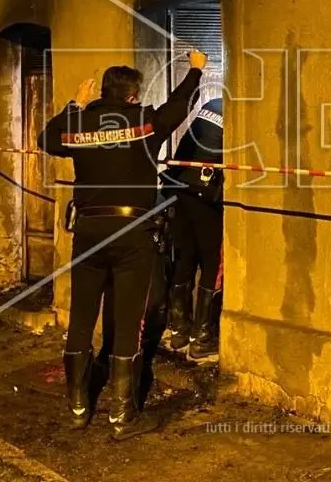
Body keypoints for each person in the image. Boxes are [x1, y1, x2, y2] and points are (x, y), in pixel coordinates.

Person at [39, 50, 206, 438]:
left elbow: (46, 138)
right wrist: (196, 70)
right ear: (132, 95)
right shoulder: (143, 121)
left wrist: (75, 104)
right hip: (132, 233)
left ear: (102, 91)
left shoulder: (79, 125)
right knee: (128, 322)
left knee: (81, 318)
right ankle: (122, 416)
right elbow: (177, 107)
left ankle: (79, 408)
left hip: (89, 232)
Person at [160, 96, 224, 361]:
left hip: (177, 188)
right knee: (212, 261)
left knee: (185, 256)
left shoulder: (212, 105)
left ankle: (180, 330)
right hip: (203, 194)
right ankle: (202, 337)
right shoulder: (240, 114)